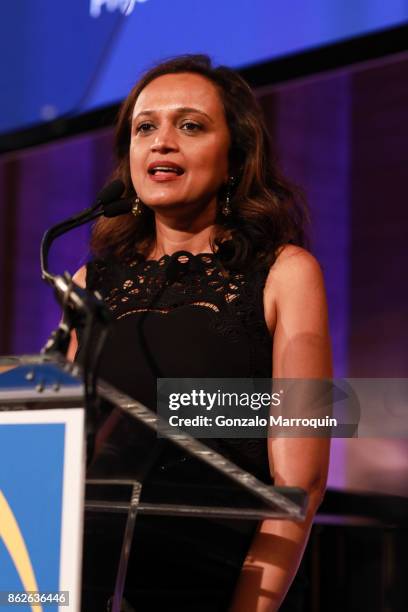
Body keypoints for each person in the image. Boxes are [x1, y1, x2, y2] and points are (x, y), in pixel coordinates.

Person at [68, 54, 332, 611]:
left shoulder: (285, 274)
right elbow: (56, 460)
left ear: (235, 157)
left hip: (206, 588)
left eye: (190, 125)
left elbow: (299, 484)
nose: (162, 141)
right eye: (145, 128)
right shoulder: (90, 282)